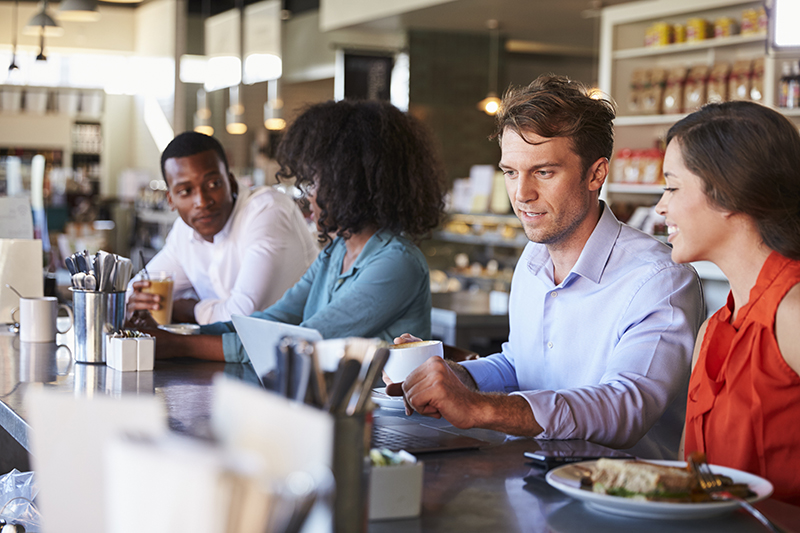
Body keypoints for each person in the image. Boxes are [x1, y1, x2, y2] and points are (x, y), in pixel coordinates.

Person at [392, 75, 704, 459]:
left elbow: (626, 407)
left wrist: (480, 407)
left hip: (619, 505)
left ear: (596, 174)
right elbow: (522, 364)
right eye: (510, 172)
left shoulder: (660, 280)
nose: (522, 194)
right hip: (529, 485)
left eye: (543, 172)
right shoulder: (533, 259)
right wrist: (460, 378)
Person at [131, 100, 445, 362]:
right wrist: (185, 333)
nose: (309, 195)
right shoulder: (337, 252)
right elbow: (272, 321)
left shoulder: (395, 264)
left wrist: (178, 343)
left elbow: (300, 343)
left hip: (386, 422)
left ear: (350, 185)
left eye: (314, 181)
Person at [655, 101, 800, 505]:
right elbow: (692, 480)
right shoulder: (712, 329)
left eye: (672, 186)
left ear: (729, 192)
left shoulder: (793, 314)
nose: (660, 206)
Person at [126, 131, 318, 324]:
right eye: (185, 191)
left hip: (301, 346)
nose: (202, 201)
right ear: (171, 200)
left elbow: (242, 315)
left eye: (213, 184)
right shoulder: (184, 232)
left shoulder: (266, 210)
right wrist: (137, 303)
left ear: (232, 183)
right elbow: (135, 291)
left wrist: (188, 309)